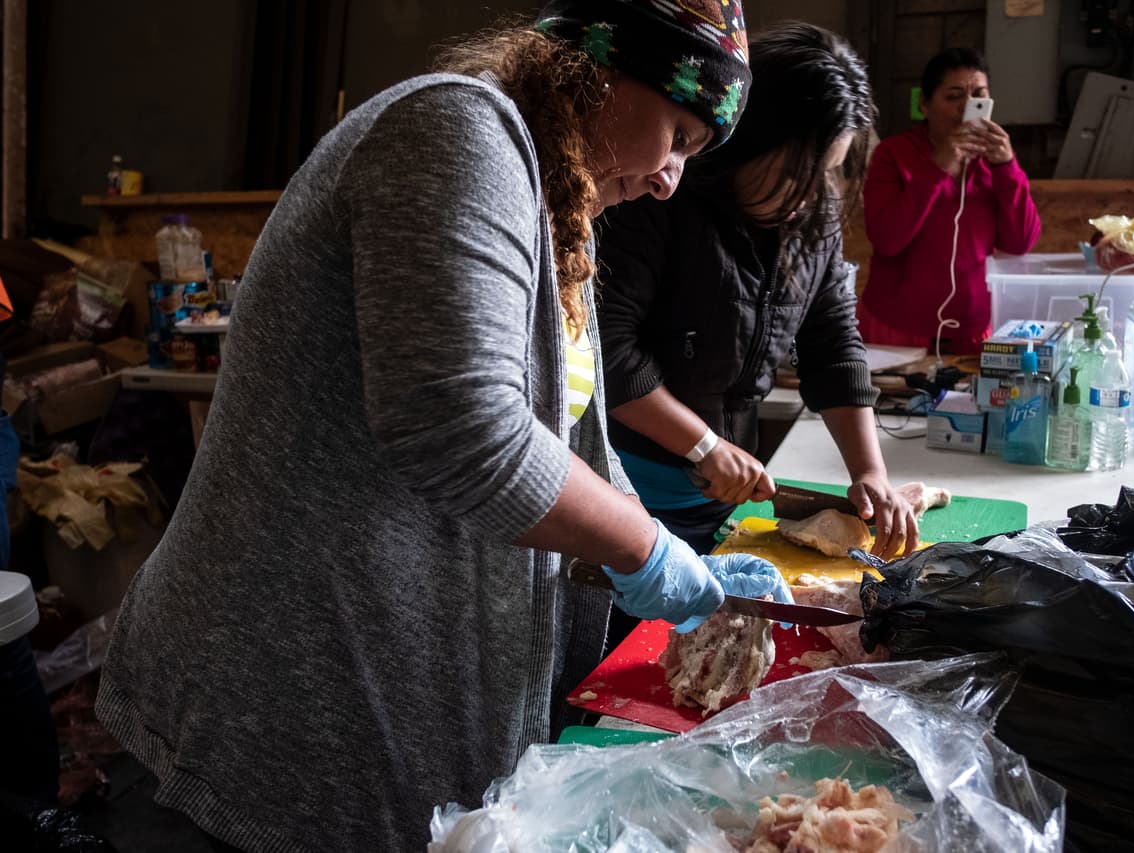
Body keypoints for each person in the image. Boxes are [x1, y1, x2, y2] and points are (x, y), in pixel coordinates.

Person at [95, 3, 793, 850]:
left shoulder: (553, 209)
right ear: (599, 68)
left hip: (375, 714)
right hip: (274, 701)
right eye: (678, 133)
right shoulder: (456, 131)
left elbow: (568, 440)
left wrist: (680, 564)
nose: (668, 177)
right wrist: (645, 546)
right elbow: (466, 428)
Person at [595, 21, 919, 582]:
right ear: (747, 137)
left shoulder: (811, 217)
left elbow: (833, 346)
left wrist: (870, 473)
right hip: (621, 494)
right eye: (797, 172)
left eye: (828, 173)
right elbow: (610, 351)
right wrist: (702, 444)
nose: (813, 195)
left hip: (719, 501)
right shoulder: (655, 193)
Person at [858, 47, 1041, 355]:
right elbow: (887, 239)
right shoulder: (893, 154)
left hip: (972, 329)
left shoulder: (993, 161)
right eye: (953, 96)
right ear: (925, 105)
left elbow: (1021, 241)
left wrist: (1007, 167)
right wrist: (937, 169)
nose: (967, 108)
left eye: (979, 96)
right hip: (895, 329)